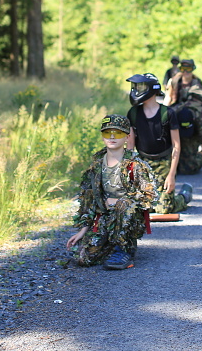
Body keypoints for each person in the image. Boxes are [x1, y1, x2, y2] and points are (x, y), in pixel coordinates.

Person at [67, 114, 158, 270]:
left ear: (127, 137)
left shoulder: (135, 165)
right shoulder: (96, 166)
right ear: (102, 136)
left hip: (128, 219)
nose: (113, 137)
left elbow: (150, 196)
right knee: (81, 256)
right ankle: (110, 244)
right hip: (104, 219)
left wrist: (123, 201)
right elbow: (88, 199)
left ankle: (124, 248)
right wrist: (82, 231)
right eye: (107, 132)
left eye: (118, 133)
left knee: (123, 205)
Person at [126, 73, 191, 214]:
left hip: (164, 163)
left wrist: (171, 175)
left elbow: (176, 146)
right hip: (143, 163)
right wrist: (129, 171)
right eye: (136, 86)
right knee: (143, 208)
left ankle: (184, 196)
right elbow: (130, 145)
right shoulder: (133, 113)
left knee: (164, 209)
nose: (136, 90)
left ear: (152, 89)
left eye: (141, 86)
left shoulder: (167, 113)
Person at [174, 85, 202, 181]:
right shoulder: (197, 115)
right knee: (195, 160)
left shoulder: (177, 110)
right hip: (187, 164)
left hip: (171, 163)